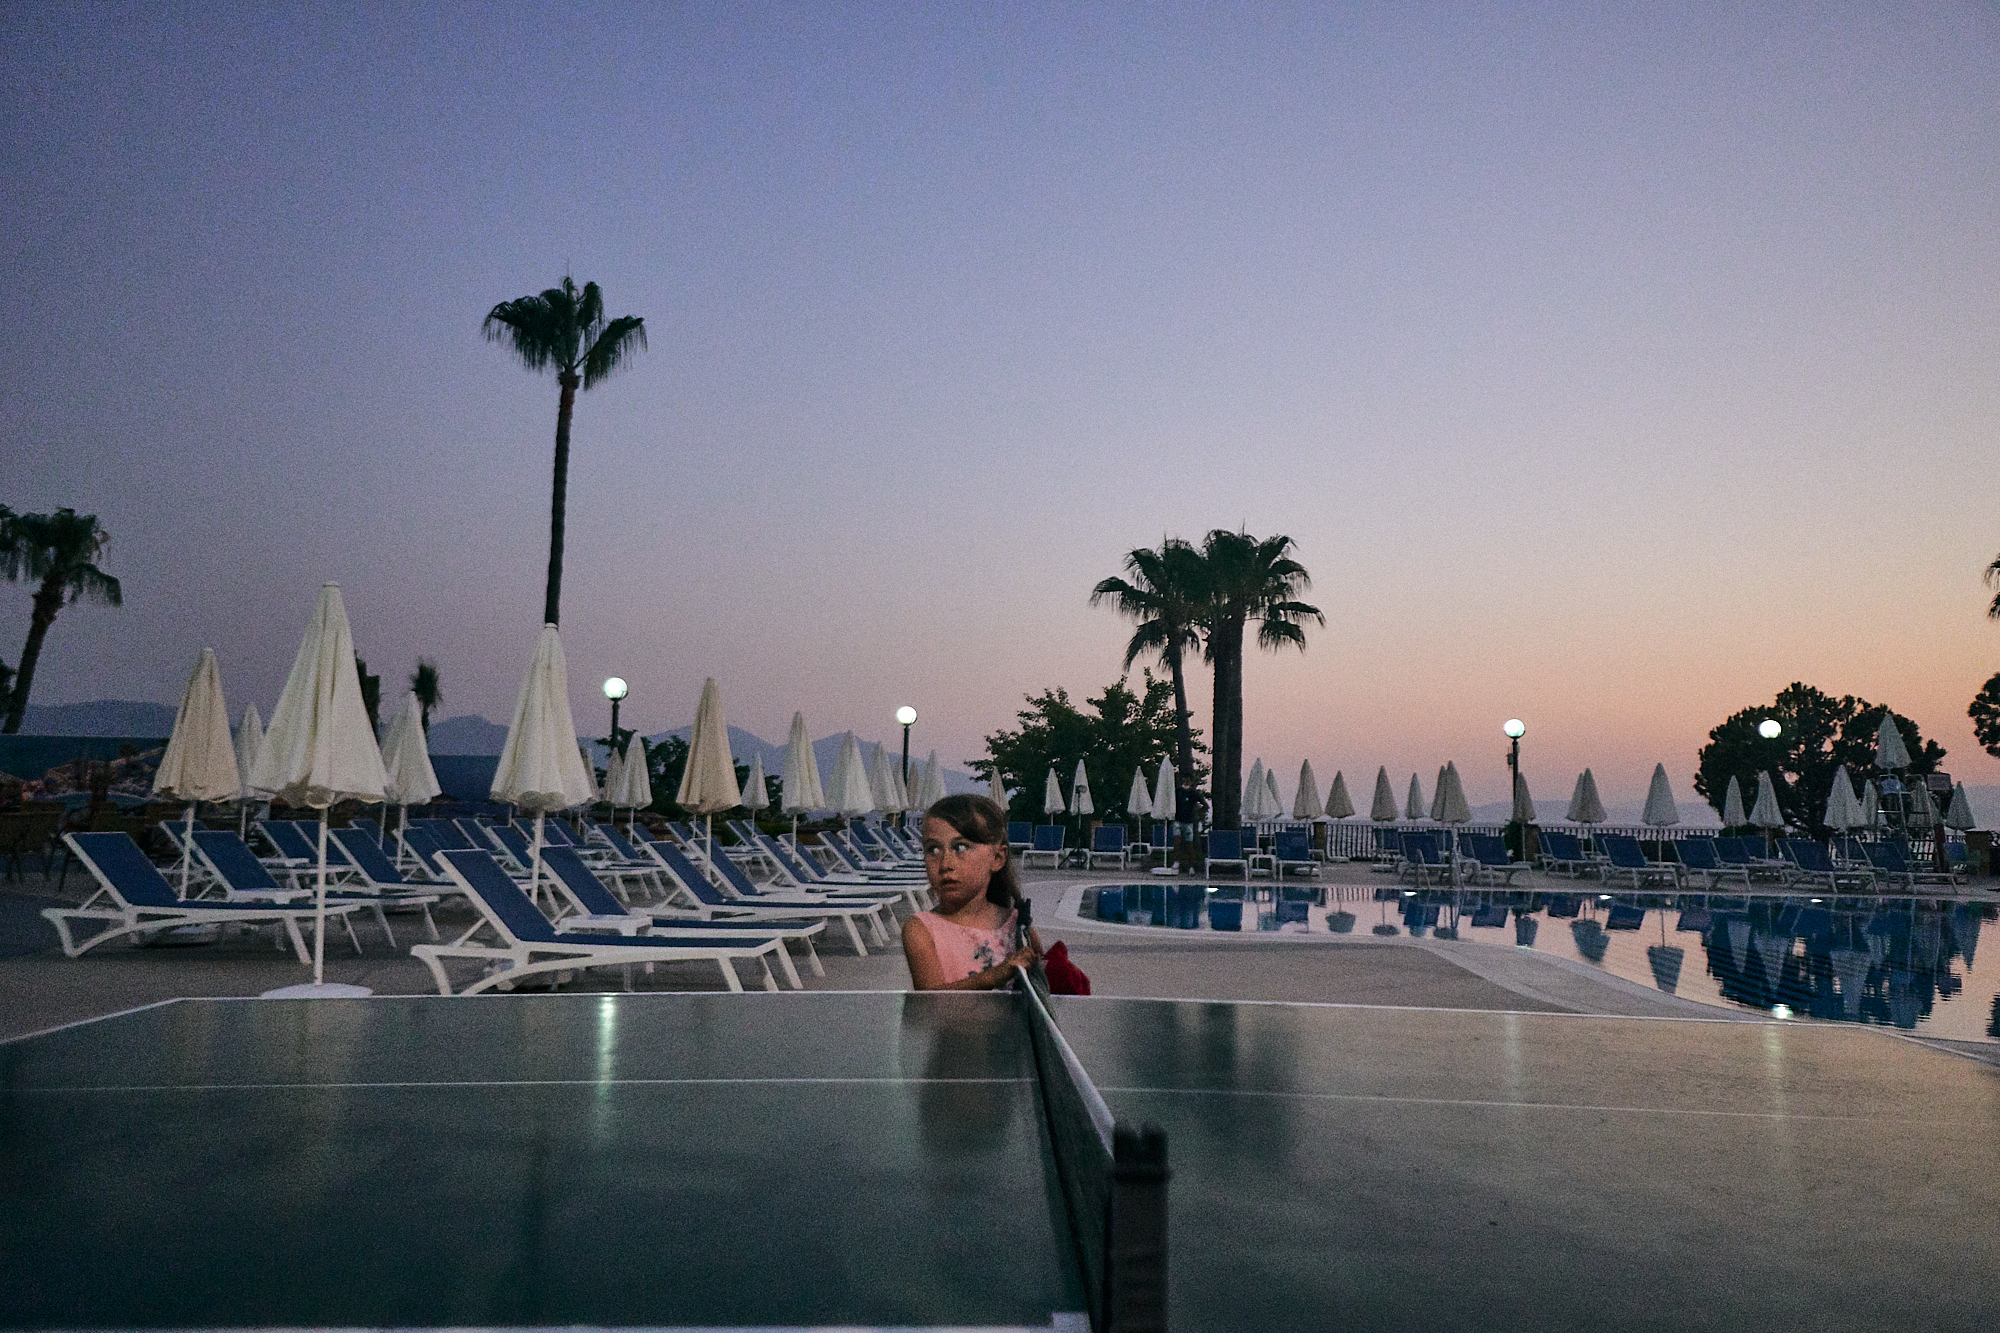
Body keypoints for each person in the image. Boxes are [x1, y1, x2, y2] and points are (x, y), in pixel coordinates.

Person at [902, 793, 1041, 990]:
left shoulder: (1018, 925)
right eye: (933, 850)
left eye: (961, 847)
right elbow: (930, 1004)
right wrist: (992, 977)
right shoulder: (921, 930)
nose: (945, 864)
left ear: (998, 858)